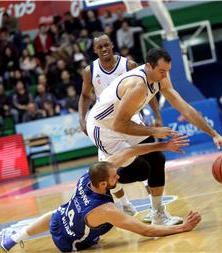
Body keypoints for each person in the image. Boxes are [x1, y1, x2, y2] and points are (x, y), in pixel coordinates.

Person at [86, 48, 222, 225]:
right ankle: (104, 168)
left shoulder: (160, 77)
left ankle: (158, 214)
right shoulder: (138, 85)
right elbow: (119, 125)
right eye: (162, 71)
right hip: (103, 127)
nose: (165, 75)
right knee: (141, 170)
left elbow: (185, 108)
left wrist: (214, 134)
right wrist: (154, 131)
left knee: (157, 159)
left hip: (124, 119)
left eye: (167, 71)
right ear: (149, 66)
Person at [0, 135, 201, 252]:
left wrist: (163, 145)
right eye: (115, 177)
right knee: (94, 220)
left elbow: (129, 152)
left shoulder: (89, 176)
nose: (119, 178)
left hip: (60, 223)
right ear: (104, 183)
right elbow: (146, 231)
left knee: (58, 212)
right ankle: (84, 237)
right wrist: (182, 228)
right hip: (72, 243)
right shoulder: (106, 210)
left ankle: (14, 239)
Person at [78, 33, 163, 218]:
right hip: (106, 124)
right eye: (100, 47)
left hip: (131, 120)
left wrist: (157, 116)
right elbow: (85, 96)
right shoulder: (90, 71)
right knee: (108, 169)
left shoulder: (128, 65)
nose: (104, 49)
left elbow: (149, 93)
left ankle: (155, 209)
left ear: (112, 45)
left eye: (106, 45)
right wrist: (82, 119)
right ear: (95, 50)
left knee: (151, 161)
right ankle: (126, 206)